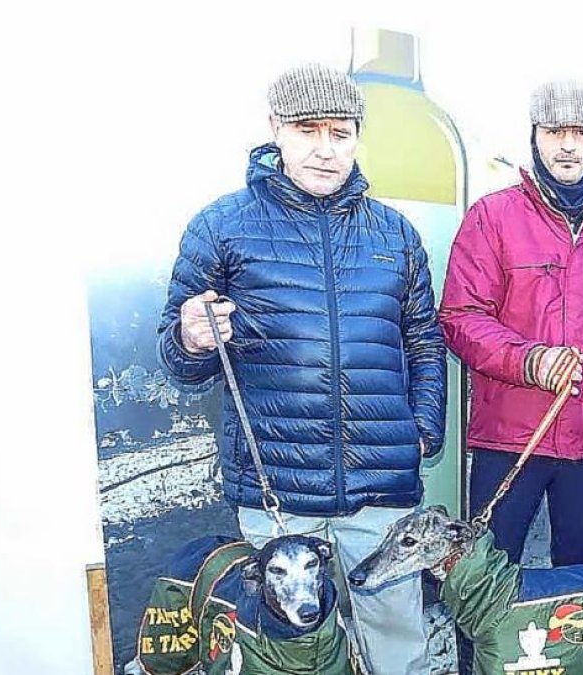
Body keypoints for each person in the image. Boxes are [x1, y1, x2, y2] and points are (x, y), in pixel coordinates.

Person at [156, 63, 446, 675]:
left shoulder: (394, 234)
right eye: (307, 130)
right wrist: (191, 336)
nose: (324, 148)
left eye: (340, 132)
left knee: (400, 642)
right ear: (275, 130)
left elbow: (423, 339)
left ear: (358, 137)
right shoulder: (222, 226)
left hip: (382, 492)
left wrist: (422, 430)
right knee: (286, 655)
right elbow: (179, 361)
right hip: (278, 493)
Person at [440, 78, 583, 565]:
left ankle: (569, 646)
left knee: (580, 580)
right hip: (510, 434)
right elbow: (460, 317)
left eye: (581, 132)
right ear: (534, 135)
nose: (567, 145)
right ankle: (479, 648)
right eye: (553, 131)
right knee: (484, 574)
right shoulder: (492, 217)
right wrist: (530, 361)